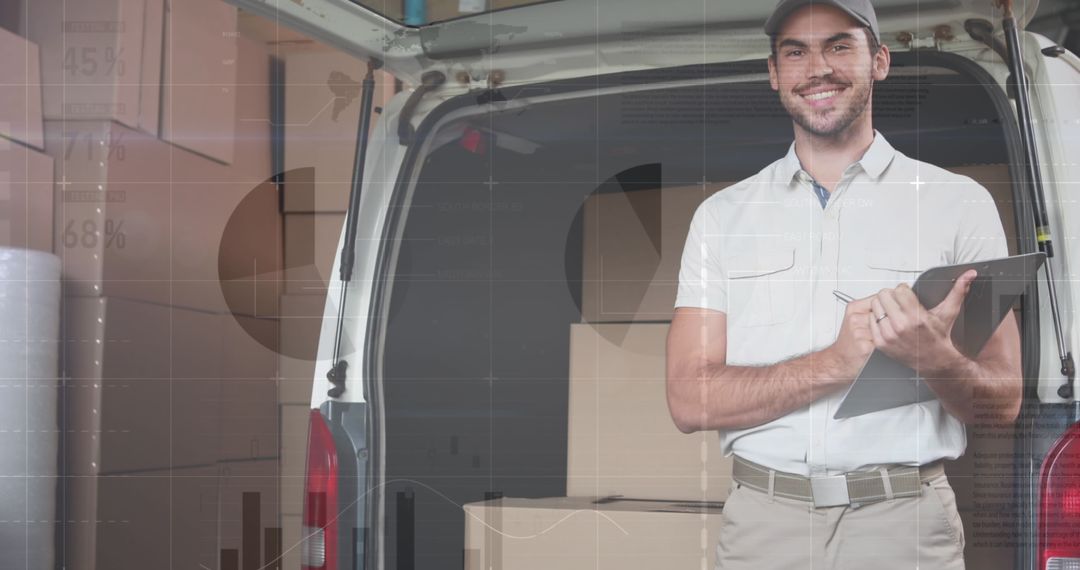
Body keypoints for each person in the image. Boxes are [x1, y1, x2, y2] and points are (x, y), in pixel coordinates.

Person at [664, 0, 1023, 568]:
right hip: (765, 523)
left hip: (903, 523)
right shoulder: (721, 217)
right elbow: (688, 398)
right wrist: (837, 361)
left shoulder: (958, 205)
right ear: (774, 73)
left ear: (879, 61)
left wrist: (934, 358)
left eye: (839, 46)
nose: (818, 69)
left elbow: (1002, 403)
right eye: (796, 52)